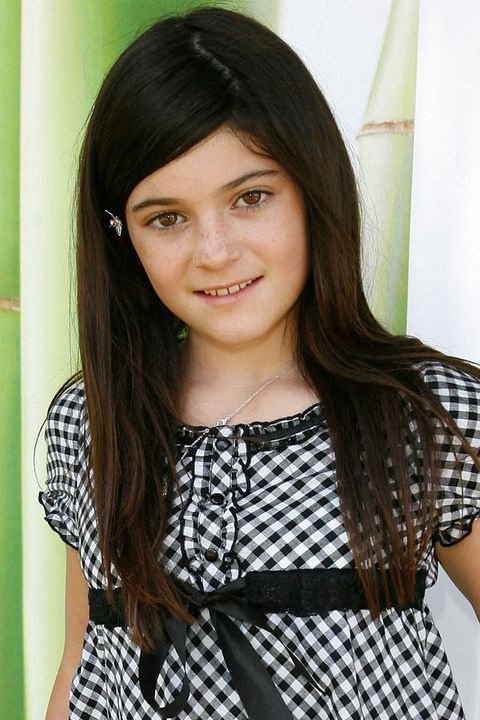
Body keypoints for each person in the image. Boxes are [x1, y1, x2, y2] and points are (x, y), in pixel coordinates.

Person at [39, 6, 480, 720]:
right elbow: (83, 661)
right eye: (167, 218)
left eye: (250, 198)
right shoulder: (89, 420)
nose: (215, 251)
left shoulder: (421, 415)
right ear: (121, 234)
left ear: (312, 190)